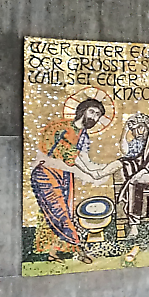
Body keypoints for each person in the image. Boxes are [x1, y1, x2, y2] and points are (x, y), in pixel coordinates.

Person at [31, 97, 120, 254]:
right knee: (58, 212)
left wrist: (98, 171)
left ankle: (53, 251)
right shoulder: (60, 128)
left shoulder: (83, 136)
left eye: (97, 115)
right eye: (91, 111)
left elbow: (83, 159)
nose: (93, 117)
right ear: (82, 110)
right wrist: (91, 172)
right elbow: (66, 153)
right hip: (46, 173)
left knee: (64, 211)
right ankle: (77, 248)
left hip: (65, 176)